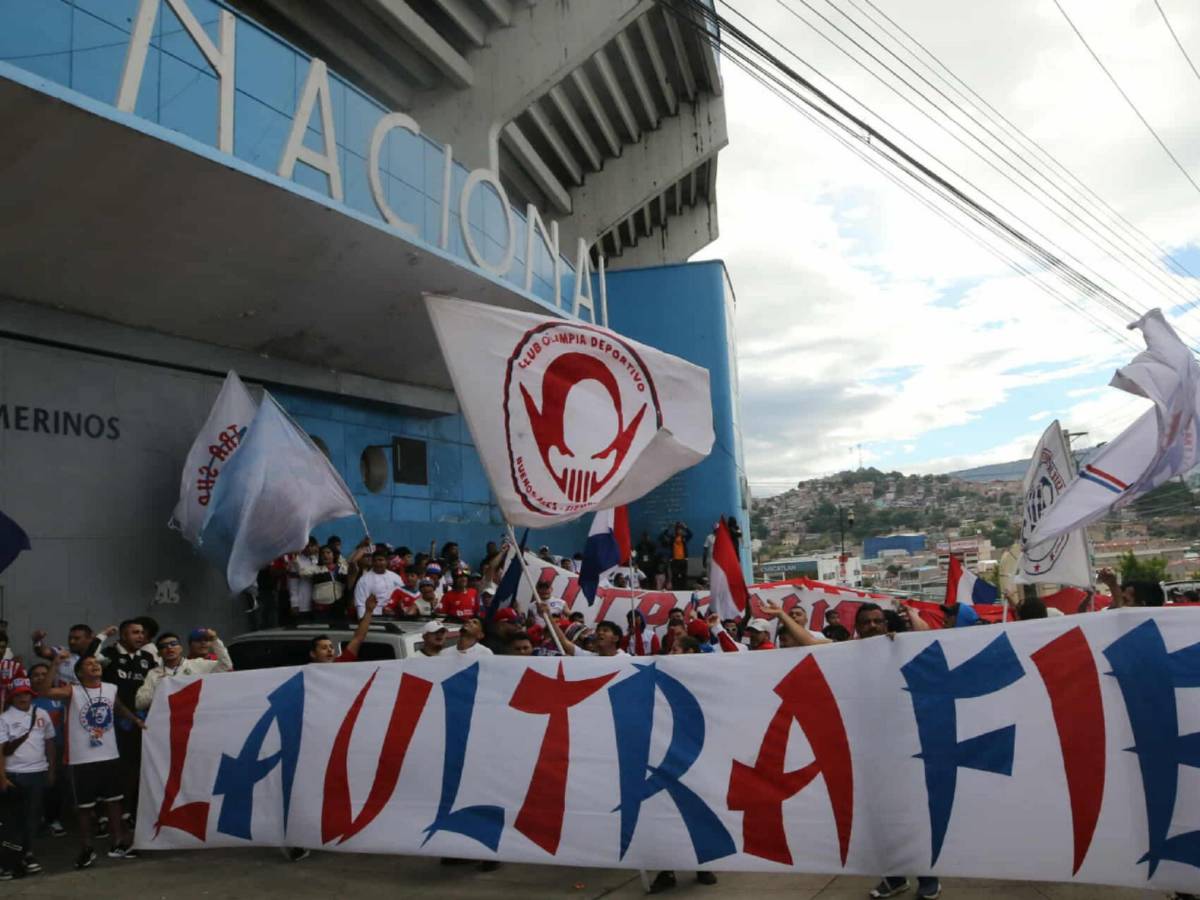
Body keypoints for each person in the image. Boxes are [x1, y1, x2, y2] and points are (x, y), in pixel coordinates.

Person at [42, 656, 143, 868]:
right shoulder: (73, 690)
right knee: (84, 807)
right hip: (81, 759)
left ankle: (118, 843)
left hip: (109, 755)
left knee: (114, 801)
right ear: (79, 673)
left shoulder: (109, 688)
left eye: (96, 663)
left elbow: (118, 706)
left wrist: (135, 720)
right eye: (89, 664)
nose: (95, 665)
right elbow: (45, 692)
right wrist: (54, 665)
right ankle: (87, 848)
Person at [97, 620, 156, 831]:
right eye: (135, 632)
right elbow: (90, 658)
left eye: (142, 633)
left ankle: (129, 812)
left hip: (140, 722)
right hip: (113, 721)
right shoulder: (109, 654)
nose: (140, 636)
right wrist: (103, 635)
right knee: (113, 770)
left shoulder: (147, 658)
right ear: (122, 635)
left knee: (136, 769)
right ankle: (105, 816)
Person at [0, 677, 55, 877]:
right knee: (13, 820)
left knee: (33, 817)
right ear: (12, 697)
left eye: (26, 694)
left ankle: (28, 853)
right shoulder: (4, 718)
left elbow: (49, 742)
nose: (23, 698)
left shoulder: (41, 713)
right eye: (19, 694)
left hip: (37, 773)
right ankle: (10, 857)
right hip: (14, 775)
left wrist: (51, 769)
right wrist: (2, 776)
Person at [136, 630, 232, 712]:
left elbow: (226, 665)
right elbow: (139, 704)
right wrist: (159, 687)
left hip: (196, 716)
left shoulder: (198, 664)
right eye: (164, 646)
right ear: (159, 653)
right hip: (169, 720)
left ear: (181, 648)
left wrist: (215, 640)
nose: (169, 648)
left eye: (173, 644)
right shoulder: (153, 674)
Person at [25, 663, 66, 838]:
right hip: (33, 751)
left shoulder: (59, 696)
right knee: (34, 787)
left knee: (54, 784)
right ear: (29, 679)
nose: (41, 677)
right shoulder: (25, 699)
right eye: (36, 674)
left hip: (57, 748)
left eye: (44, 674)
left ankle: (54, 819)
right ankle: (37, 819)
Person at [539, 603, 625, 657]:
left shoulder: (627, 659)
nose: (599, 632)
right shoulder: (588, 657)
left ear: (615, 638)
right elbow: (564, 641)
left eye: (605, 630)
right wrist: (548, 617)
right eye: (598, 630)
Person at [309, 597, 378, 664]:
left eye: (331, 647)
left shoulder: (341, 664)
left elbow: (358, 638)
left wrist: (369, 611)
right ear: (313, 654)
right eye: (324, 648)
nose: (329, 650)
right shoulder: (305, 672)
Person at [31, 624, 99, 687]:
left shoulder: (98, 658)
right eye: (70, 638)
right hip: (58, 698)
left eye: (77, 638)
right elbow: (42, 652)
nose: (72, 641)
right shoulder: (62, 652)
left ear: (89, 639)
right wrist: (37, 640)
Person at [353, 549, 405, 620]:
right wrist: (364, 621)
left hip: (395, 617)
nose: (377, 563)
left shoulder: (396, 578)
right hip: (374, 617)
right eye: (375, 560)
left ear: (387, 561)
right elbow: (360, 604)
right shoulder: (364, 580)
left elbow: (403, 596)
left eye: (380, 560)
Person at [308, 545, 348, 617]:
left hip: (338, 608)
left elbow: (352, 564)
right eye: (322, 553)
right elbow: (302, 572)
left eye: (328, 553)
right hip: (320, 608)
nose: (325, 555)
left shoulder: (342, 568)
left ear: (334, 555)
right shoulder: (315, 569)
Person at [286, 537, 321, 618]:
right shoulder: (296, 562)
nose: (309, 548)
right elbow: (293, 585)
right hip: (302, 604)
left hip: (315, 603)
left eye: (312, 546)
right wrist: (294, 604)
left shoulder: (315, 560)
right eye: (307, 546)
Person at [661, 522, 693, 589]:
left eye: (681, 529)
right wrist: (669, 527)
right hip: (674, 560)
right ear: (676, 530)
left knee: (684, 575)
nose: (679, 531)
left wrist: (685, 527)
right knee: (675, 575)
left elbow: (691, 534)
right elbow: (664, 534)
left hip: (683, 559)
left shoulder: (684, 537)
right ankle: (675, 588)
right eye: (678, 529)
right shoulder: (672, 538)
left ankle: (684, 588)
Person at [0, 634, 25, 711]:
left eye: (2, 647)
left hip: (9, 715)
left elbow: (24, 692)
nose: (0, 650)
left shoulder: (15, 667)